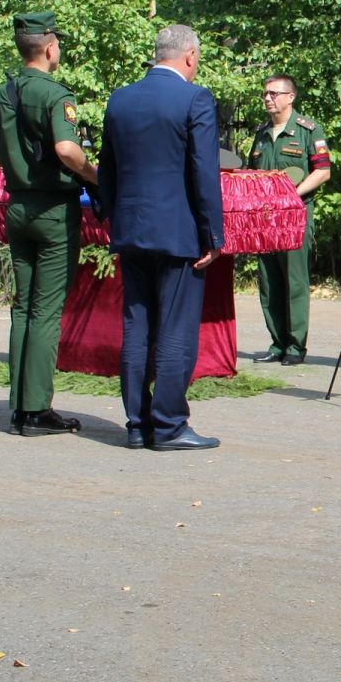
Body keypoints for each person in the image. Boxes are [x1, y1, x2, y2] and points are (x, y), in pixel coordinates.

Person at [99, 25, 226, 451]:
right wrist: (213, 234)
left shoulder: (121, 99)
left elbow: (107, 171)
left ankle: (137, 424)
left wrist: (117, 220)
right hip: (178, 232)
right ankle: (169, 425)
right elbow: (203, 173)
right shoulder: (195, 98)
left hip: (131, 230)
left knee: (136, 327)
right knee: (175, 330)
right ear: (190, 57)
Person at [0, 11, 99, 436]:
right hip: (53, 210)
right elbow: (68, 148)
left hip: (15, 207)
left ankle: (19, 405)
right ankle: (36, 410)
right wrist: (92, 174)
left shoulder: (3, 94)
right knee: (47, 311)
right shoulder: (56, 94)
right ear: (50, 48)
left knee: (23, 307)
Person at [247, 74, 332, 365]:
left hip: (294, 215)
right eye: (265, 94)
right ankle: (277, 342)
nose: (268, 98)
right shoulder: (261, 133)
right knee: (269, 281)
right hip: (264, 219)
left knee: (294, 280)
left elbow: (322, 171)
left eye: (273, 93)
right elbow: (251, 173)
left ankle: (296, 346)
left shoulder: (308, 130)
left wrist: (292, 194)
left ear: (290, 97)